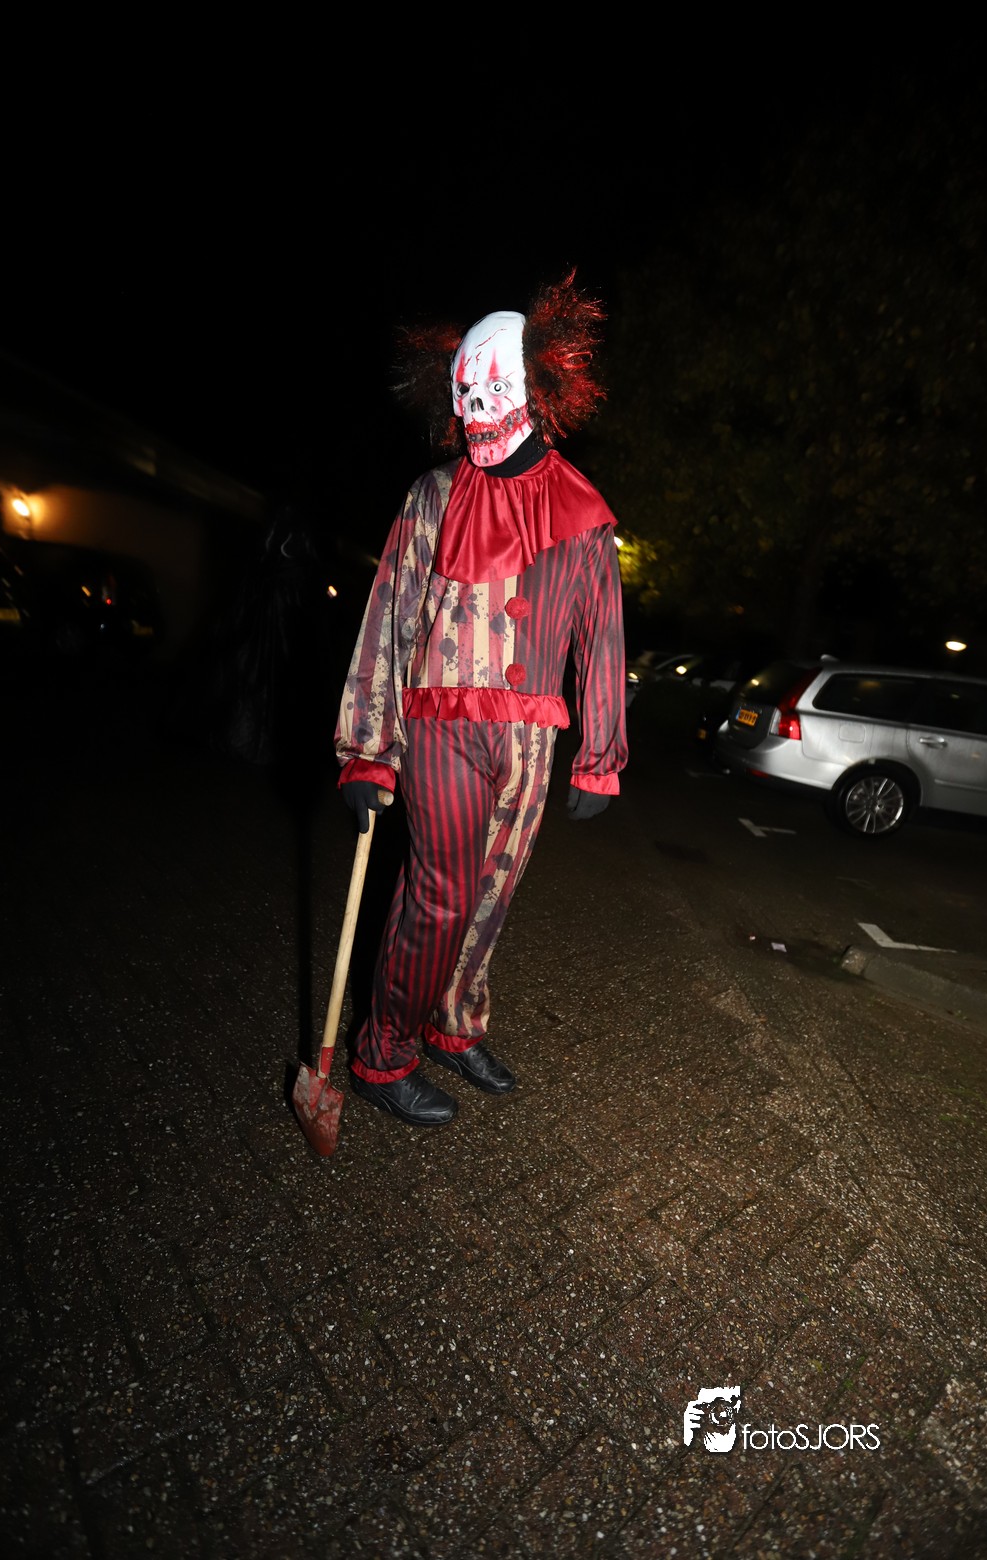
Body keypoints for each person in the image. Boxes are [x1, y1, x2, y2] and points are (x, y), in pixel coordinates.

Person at [334, 272, 627, 1127]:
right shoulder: (433, 496)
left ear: (536, 388)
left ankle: (454, 1026)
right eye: (465, 397)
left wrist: (601, 758)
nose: (476, 413)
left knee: (494, 893)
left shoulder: (582, 511)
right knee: (439, 895)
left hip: (530, 738)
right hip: (441, 729)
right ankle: (383, 1055)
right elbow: (389, 619)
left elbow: (602, 638)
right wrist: (367, 748)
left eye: (492, 391)